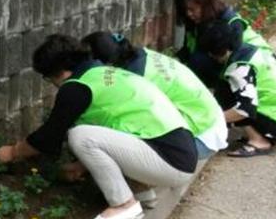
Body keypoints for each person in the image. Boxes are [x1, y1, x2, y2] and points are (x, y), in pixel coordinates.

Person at [0, 34, 197, 219]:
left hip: (170, 161)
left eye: (49, 78)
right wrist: (81, 165)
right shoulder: (104, 73)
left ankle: (123, 205)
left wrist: (12, 152)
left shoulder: (76, 87)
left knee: (80, 136)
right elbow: (114, 132)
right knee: (88, 133)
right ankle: (140, 190)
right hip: (181, 154)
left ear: (59, 72)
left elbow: (49, 136)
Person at [82, 31, 228, 160]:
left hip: (201, 138)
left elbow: (125, 124)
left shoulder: (134, 79)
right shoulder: (140, 55)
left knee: (120, 142)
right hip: (211, 121)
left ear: (106, 64)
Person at [198, 20, 276, 158]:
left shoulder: (239, 68)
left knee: (228, 96)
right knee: (226, 88)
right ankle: (259, 134)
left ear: (220, 51)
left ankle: (259, 141)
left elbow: (244, 110)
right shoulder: (249, 50)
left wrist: (212, 121)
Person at [174, 0, 273, 87]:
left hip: (260, 66)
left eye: (192, 9)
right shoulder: (195, 24)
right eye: (185, 10)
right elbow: (188, 50)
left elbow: (236, 64)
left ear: (205, 4)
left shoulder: (230, 24)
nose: (189, 14)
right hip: (233, 67)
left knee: (198, 61)